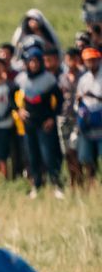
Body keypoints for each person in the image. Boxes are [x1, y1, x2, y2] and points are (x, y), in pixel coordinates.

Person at [15, 48, 64, 199]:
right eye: (30, 61)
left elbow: (60, 100)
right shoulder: (21, 79)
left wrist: (52, 117)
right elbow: (11, 95)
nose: (33, 64)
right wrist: (18, 110)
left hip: (45, 124)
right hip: (29, 123)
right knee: (32, 155)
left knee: (48, 155)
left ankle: (56, 184)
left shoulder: (48, 78)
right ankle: (36, 185)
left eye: (36, 61)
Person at [57, 48, 84, 186]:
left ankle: (80, 177)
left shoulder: (83, 76)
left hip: (77, 117)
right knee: (66, 150)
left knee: (75, 148)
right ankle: (72, 178)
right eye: (68, 59)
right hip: (63, 116)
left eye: (73, 59)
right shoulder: (62, 77)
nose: (71, 62)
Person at [76, 47, 102, 184]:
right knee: (86, 158)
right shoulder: (83, 79)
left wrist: (95, 97)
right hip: (87, 122)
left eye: (93, 60)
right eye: (88, 61)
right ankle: (91, 184)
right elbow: (79, 99)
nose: (91, 63)